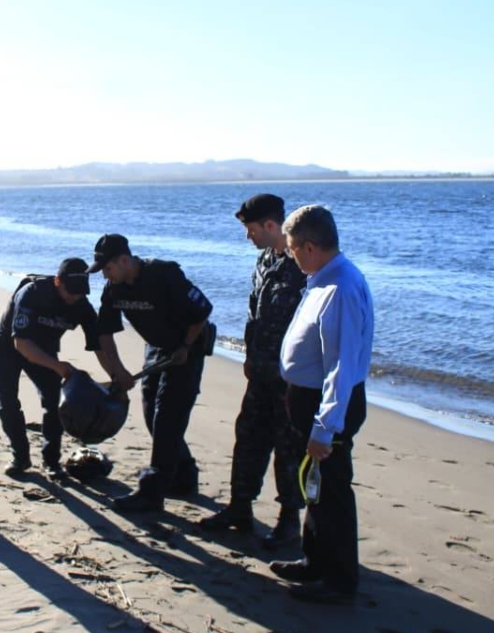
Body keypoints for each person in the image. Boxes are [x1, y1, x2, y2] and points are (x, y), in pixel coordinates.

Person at [268, 204, 374, 604]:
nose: (291, 256)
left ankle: (340, 580)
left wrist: (324, 427)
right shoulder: (322, 279)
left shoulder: (341, 287)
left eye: (293, 248)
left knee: (332, 491)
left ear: (310, 247)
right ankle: (315, 560)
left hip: (327, 404)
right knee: (315, 487)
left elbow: (341, 366)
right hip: (308, 399)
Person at [199, 194, 307, 550]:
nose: (248, 236)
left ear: (270, 225)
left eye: (250, 229)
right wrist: (248, 355)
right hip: (260, 371)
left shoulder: (302, 266)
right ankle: (239, 508)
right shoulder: (265, 260)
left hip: (290, 378)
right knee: (248, 438)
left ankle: (289, 520)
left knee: (288, 448)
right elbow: (254, 312)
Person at [88, 234, 213, 513]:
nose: (105, 276)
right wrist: (118, 371)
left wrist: (184, 346)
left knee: (168, 416)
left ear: (124, 260)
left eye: (107, 269)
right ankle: (184, 475)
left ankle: (151, 493)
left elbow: (202, 310)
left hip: (186, 350)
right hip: (156, 347)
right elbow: (104, 333)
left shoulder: (164, 274)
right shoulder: (114, 289)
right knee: (151, 415)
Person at [0, 257, 103, 478]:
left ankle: (51, 461)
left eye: (81, 292)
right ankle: (20, 457)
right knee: (7, 402)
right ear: (58, 281)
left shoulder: (81, 305)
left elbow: (100, 344)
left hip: (45, 349)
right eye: (71, 291)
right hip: (9, 347)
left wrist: (115, 374)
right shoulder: (32, 293)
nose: (75, 297)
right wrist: (58, 366)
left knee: (54, 403)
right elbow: (21, 344)